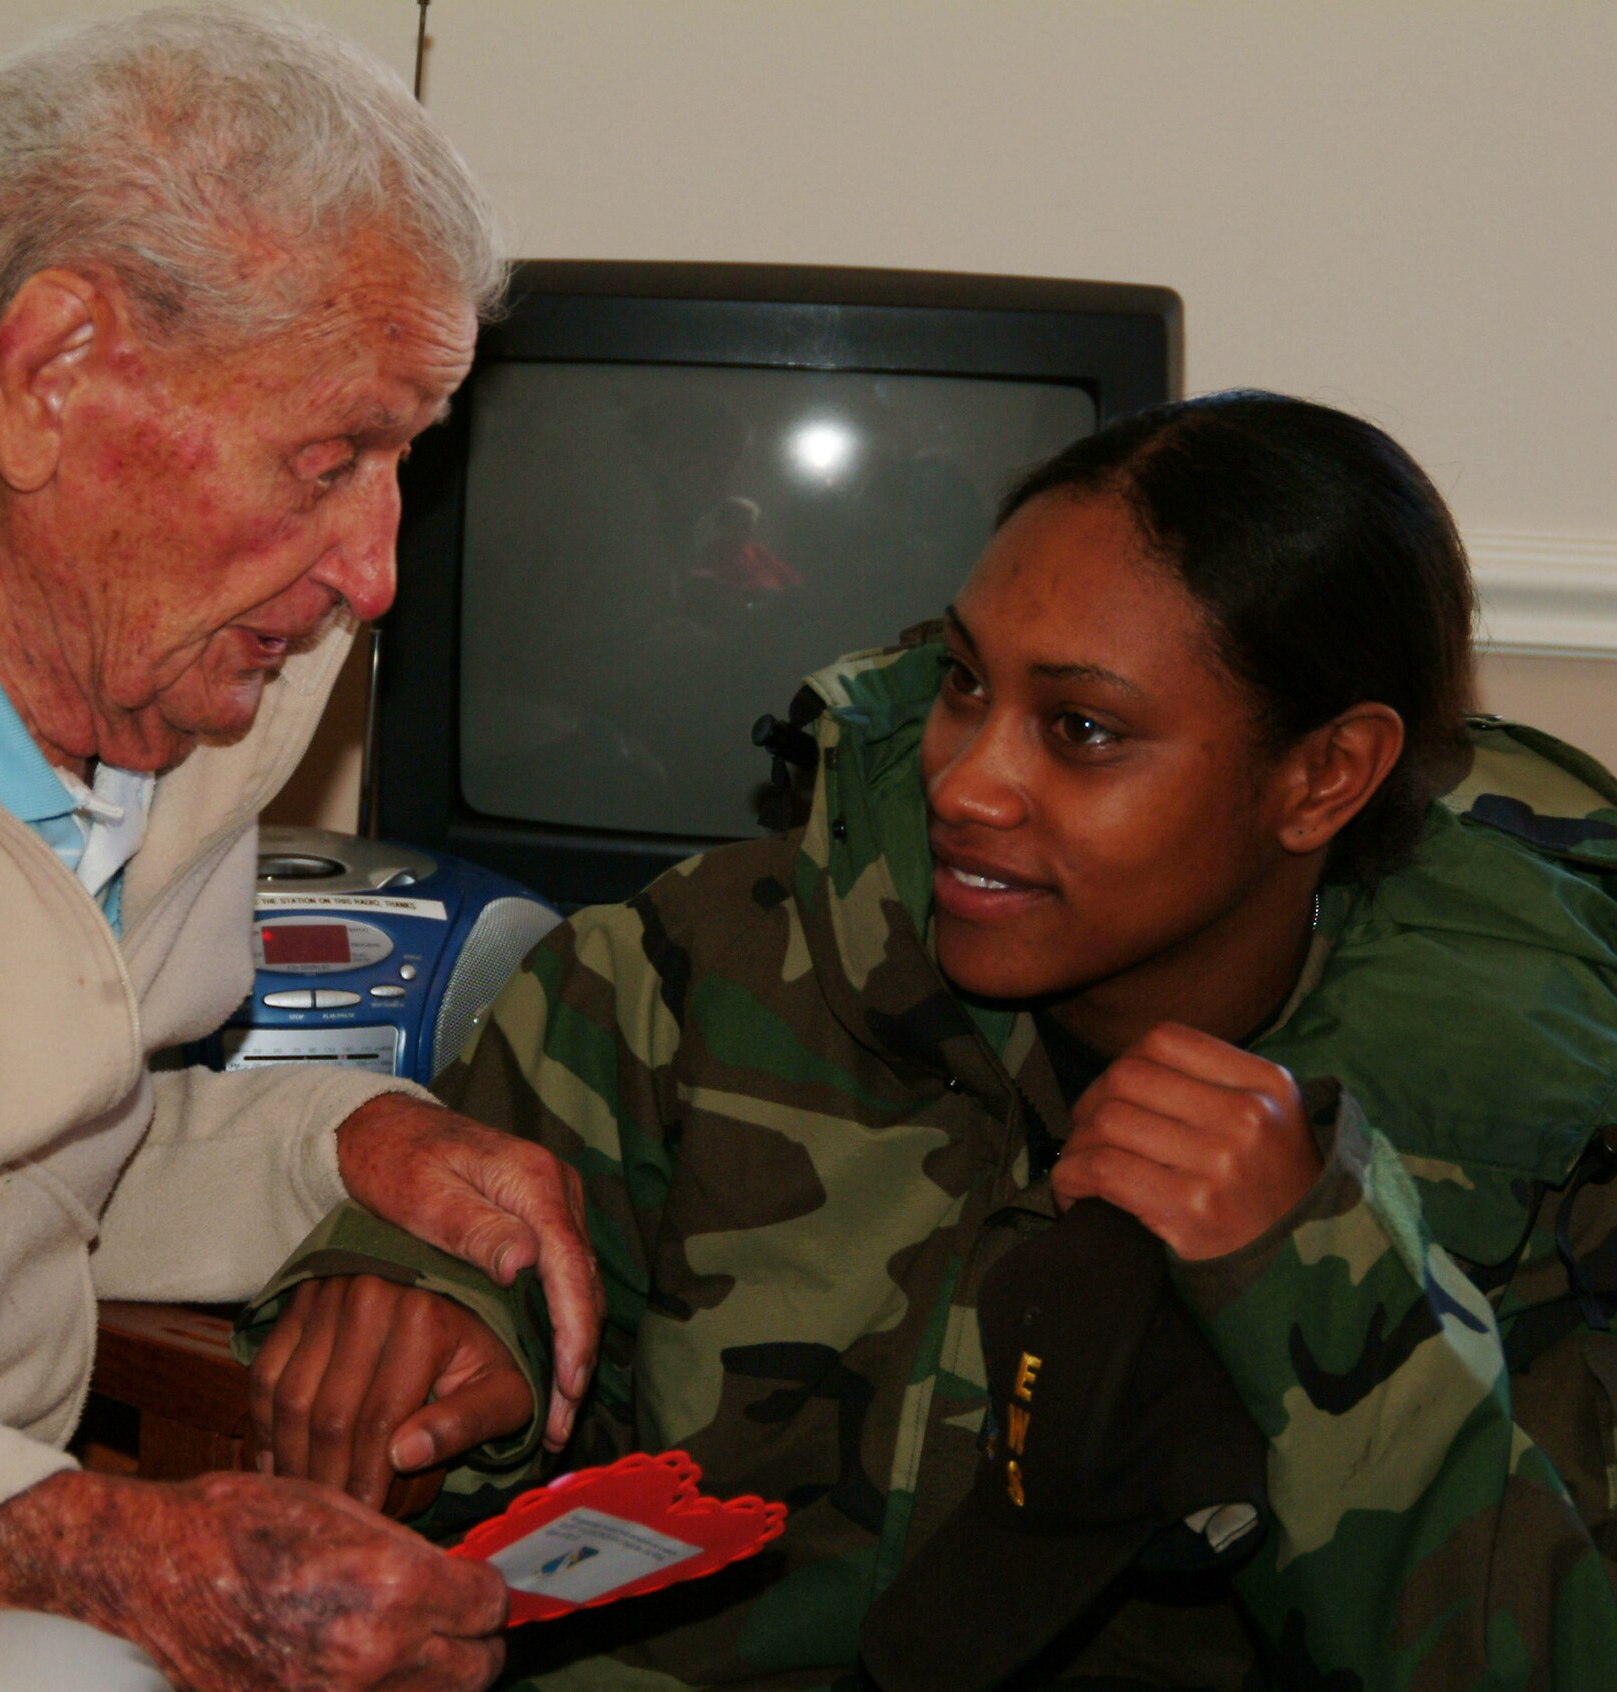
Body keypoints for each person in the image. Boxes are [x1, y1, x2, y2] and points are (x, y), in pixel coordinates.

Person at [240, 392, 1617, 1687]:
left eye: (1081, 730)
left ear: (1321, 777)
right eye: (964, 683)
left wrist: (1316, 1274)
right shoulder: (686, 975)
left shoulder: (1538, 1130)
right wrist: (426, 1300)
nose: (967, 782)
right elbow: (455, 1468)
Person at [0, 9, 605, 1690]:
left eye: (405, 463)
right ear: (57, 368)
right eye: (333, 455)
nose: (375, 570)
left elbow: (11, 1157)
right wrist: (88, 1548)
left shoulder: (188, 665)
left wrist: (332, 1145)